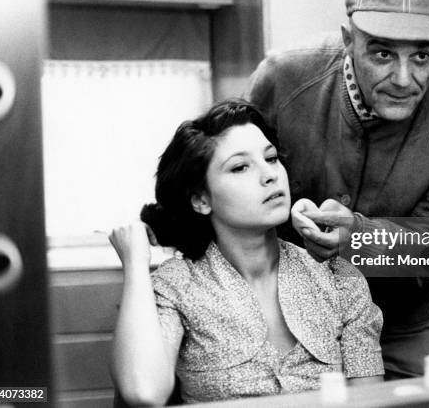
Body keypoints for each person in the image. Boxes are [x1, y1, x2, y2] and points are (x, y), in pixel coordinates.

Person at [249, 0, 429, 379]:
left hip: (404, 322)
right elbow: (233, 175)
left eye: (422, 56)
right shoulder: (282, 79)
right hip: (290, 314)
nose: (403, 79)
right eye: (382, 53)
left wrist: (354, 238)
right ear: (347, 42)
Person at [109, 100, 384, 406]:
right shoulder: (177, 285)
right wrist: (135, 263)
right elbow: (143, 393)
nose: (270, 175)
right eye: (240, 167)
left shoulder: (339, 279)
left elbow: (370, 401)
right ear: (201, 200)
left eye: (271, 158)